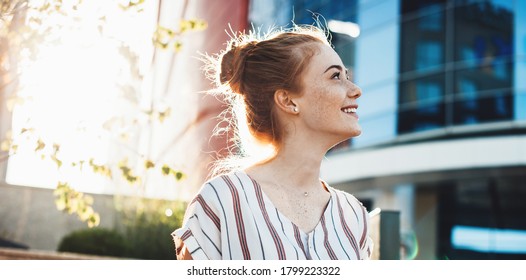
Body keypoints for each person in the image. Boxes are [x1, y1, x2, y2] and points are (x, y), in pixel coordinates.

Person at [172, 24, 373, 260]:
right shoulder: (222, 199)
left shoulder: (354, 216)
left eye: (347, 76)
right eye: (336, 76)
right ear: (288, 100)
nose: (356, 90)